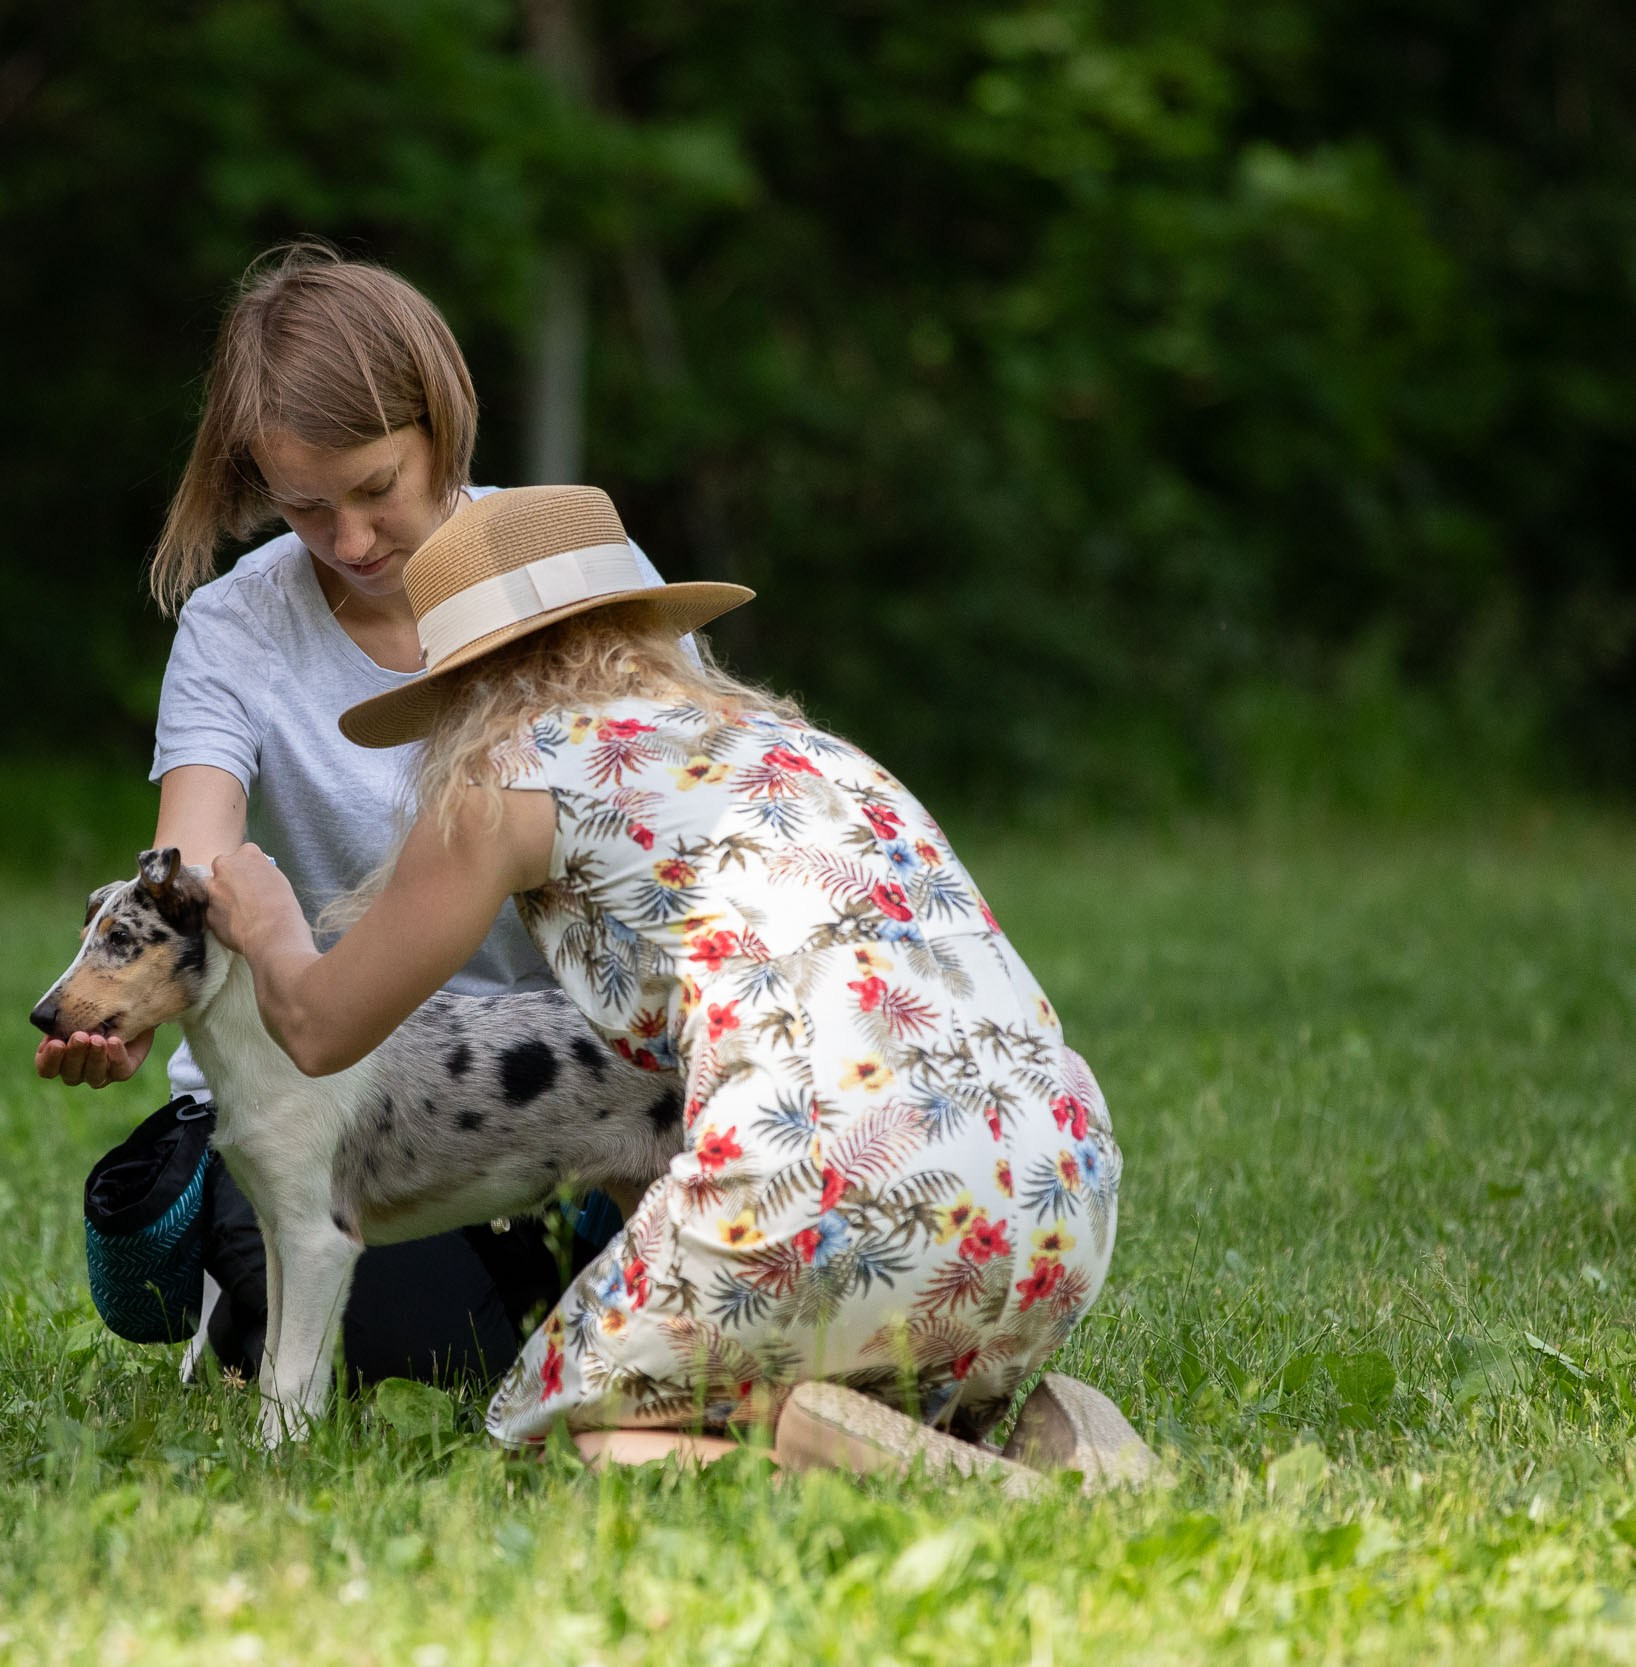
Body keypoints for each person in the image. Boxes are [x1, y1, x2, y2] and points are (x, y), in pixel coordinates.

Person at [205, 485, 1124, 1456]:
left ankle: (933, 1483)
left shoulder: (506, 776)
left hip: (841, 1193)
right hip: (1061, 1191)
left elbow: (315, 1029)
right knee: (780, 1364)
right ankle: (1041, 1441)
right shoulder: (797, 747)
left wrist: (267, 922)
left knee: (581, 1438)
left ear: (463, 678)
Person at [37, 245, 676, 1387]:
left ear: (442, 424)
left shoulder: (571, 568)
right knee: (424, 1355)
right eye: (303, 505)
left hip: (567, 1075)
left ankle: (579, 1253)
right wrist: (133, 991)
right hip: (318, 1088)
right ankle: (254, 1275)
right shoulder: (236, 627)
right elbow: (195, 854)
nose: (350, 540)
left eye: (377, 486)